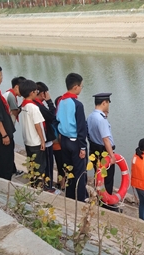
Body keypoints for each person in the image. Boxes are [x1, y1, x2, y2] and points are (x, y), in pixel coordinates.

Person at [56, 73, 87, 201]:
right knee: (79, 172)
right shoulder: (77, 104)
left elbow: (57, 120)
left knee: (68, 170)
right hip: (75, 142)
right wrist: (83, 147)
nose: (81, 89)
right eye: (81, 86)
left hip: (64, 140)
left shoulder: (61, 101)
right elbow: (81, 127)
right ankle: (79, 199)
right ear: (75, 87)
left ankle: (69, 196)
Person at [87, 92, 120, 211]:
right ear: (104, 103)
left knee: (98, 176)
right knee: (108, 178)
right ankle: (108, 204)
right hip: (104, 152)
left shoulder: (91, 116)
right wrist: (112, 156)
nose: (108, 106)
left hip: (94, 149)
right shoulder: (101, 119)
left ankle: (99, 200)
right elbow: (106, 139)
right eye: (108, 103)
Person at [19, 79, 47, 186]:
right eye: (36, 91)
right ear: (31, 93)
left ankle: (32, 184)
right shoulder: (33, 107)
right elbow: (37, 125)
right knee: (39, 166)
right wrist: (43, 140)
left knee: (31, 164)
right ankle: (39, 187)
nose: (37, 93)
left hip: (28, 141)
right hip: (36, 141)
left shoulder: (23, 105)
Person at [33, 81, 58, 192]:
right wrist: (49, 101)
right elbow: (52, 116)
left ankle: (42, 184)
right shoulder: (39, 106)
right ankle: (48, 186)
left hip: (37, 140)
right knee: (48, 164)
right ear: (42, 93)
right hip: (46, 140)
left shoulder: (32, 104)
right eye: (46, 93)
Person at [3, 76, 26, 177]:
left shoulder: (9, 94)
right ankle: (10, 172)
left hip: (6, 127)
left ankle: (12, 170)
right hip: (6, 128)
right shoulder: (11, 96)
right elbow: (15, 112)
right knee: (8, 152)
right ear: (17, 87)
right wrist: (24, 104)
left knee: (9, 150)